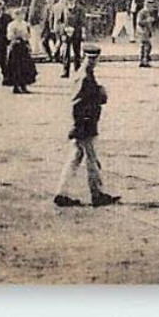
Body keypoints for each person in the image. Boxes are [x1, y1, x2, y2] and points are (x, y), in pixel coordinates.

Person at [54, 46, 119, 208]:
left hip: (86, 123)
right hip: (85, 125)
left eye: (93, 59)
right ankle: (97, 194)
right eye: (91, 59)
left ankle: (62, 193)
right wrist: (78, 126)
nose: (92, 62)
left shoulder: (86, 75)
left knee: (76, 158)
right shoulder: (84, 77)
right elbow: (77, 103)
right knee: (91, 159)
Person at [3, 8, 36, 94]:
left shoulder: (25, 24)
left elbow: (28, 35)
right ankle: (15, 86)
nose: (21, 16)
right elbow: (9, 36)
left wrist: (26, 39)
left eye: (22, 14)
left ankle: (23, 85)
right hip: (15, 47)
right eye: (19, 15)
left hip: (23, 47)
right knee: (15, 67)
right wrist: (15, 36)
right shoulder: (11, 25)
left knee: (25, 67)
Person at [59, 0, 84, 79]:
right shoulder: (64, 9)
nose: (71, 1)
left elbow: (82, 22)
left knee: (77, 52)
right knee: (66, 53)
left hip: (76, 33)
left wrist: (74, 29)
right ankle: (66, 71)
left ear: (75, 0)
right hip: (66, 34)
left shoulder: (80, 9)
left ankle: (77, 70)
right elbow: (61, 21)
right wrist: (64, 30)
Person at [136, 0, 156, 68]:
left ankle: (142, 61)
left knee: (145, 47)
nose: (152, 8)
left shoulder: (147, 13)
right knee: (146, 46)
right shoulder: (142, 12)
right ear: (147, 6)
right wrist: (147, 20)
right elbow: (139, 22)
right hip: (142, 32)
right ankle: (144, 61)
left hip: (146, 32)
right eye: (151, 6)